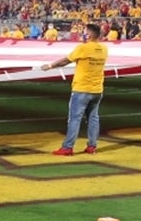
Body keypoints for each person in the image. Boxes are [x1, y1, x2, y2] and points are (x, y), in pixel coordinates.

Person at [40, 23, 108, 155]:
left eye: (85, 31)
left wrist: (49, 66)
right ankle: (92, 146)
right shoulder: (104, 49)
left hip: (82, 88)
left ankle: (68, 147)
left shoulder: (83, 48)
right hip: (97, 89)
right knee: (94, 118)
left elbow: (65, 61)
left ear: (88, 34)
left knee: (75, 119)